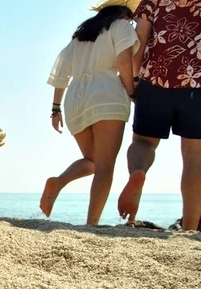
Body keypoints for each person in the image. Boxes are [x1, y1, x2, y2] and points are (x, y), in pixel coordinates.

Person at [40, 0, 140, 225]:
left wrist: (55, 108)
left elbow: (61, 74)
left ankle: (59, 181)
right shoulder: (121, 26)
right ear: (126, 12)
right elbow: (124, 61)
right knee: (105, 166)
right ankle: (92, 223)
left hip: (75, 100)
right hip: (106, 96)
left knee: (93, 161)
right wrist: (132, 91)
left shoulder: (81, 36)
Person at [117, 0, 201, 231]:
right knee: (196, 157)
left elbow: (140, 36)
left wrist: (136, 79)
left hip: (155, 80)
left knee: (143, 142)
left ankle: (138, 172)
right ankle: (190, 228)